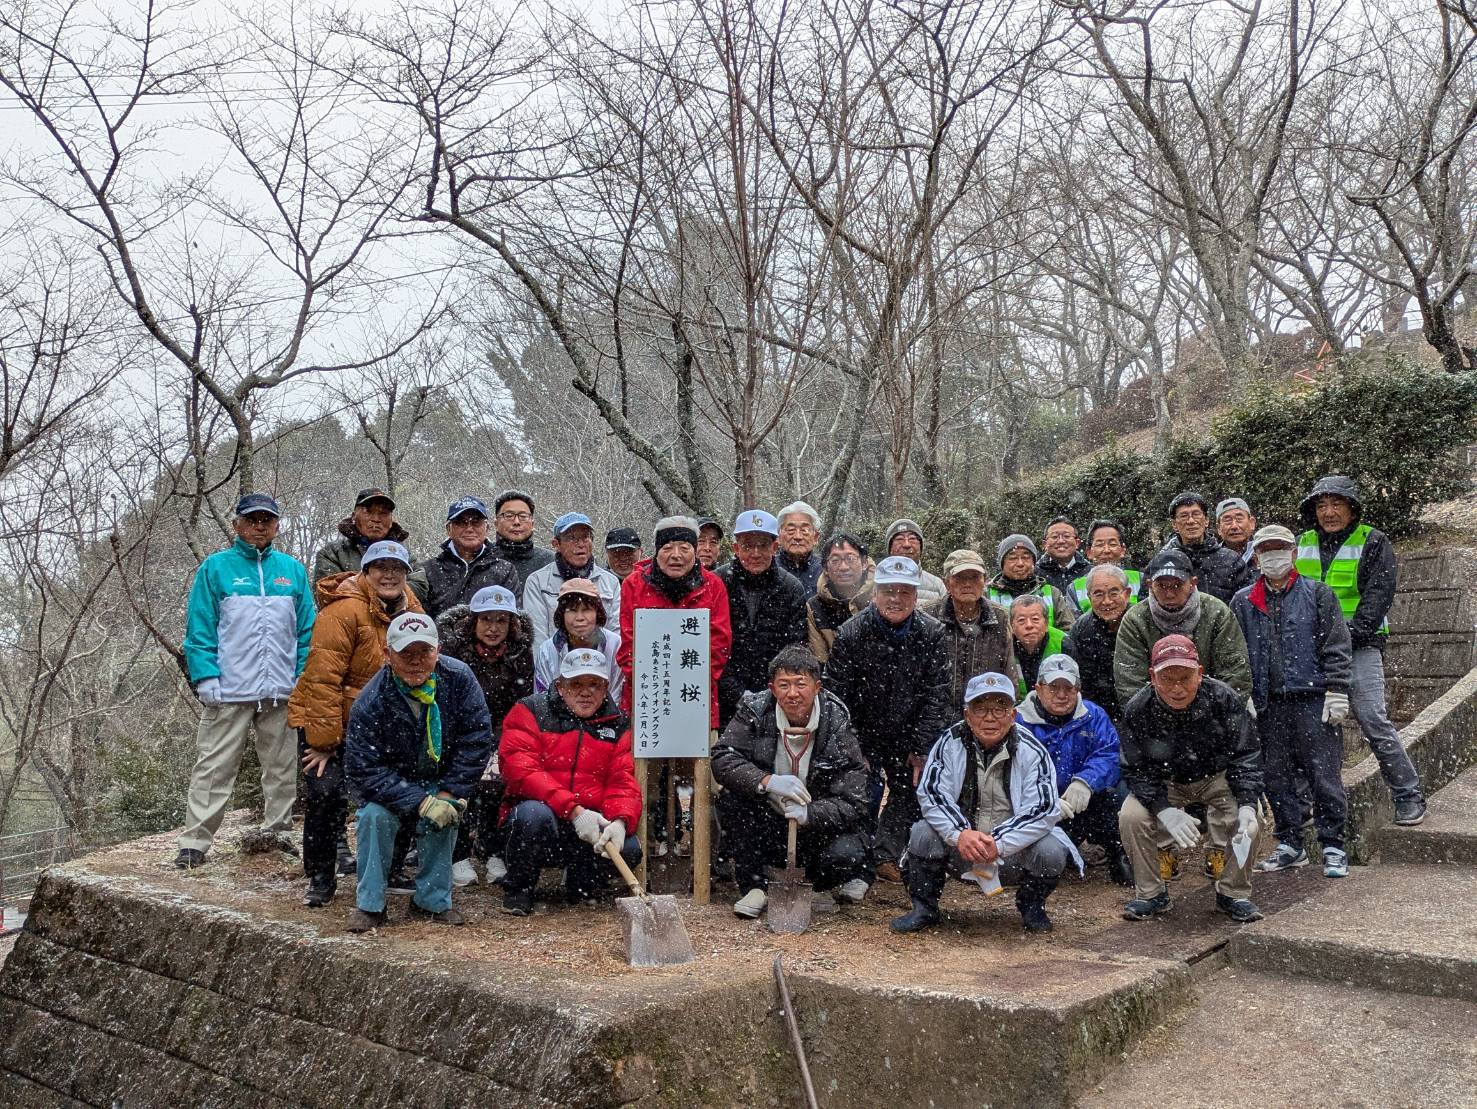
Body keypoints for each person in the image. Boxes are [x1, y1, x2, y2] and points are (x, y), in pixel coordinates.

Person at [176, 493, 315, 869]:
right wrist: (205, 675)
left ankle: (277, 833)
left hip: (281, 690)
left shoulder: (292, 570)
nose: (259, 526)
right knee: (214, 767)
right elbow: (200, 627)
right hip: (229, 690)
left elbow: (307, 630)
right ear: (236, 524)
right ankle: (194, 842)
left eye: (266, 520)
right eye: (252, 520)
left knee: (281, 767)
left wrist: (302, 675)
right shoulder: (216, 568)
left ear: (277, 525)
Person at [288, 540, 423, 907]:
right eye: (380, 568)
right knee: (326, 791)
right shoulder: (342, 611)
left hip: (384, 725)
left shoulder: (413, 610)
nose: (389, 575)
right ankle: (321, 874)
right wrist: (324, 742)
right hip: (333, 717)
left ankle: (391, 867)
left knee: (405, 787)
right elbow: (322, 679)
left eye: (396, 568)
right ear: (366, 571)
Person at [892, 671, 1080, 934]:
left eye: (1000, 708)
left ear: (1013, 715)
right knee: (922, 833)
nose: (990, 717)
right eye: (980, 709)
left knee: (1051, 850)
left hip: (1012, 853)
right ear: (967, 715)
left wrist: (999, 842)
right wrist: (961, 834)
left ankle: (1032, 906)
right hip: (960, 851)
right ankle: (924, 908)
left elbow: (1043, 809)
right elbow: (931, 794)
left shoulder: (1033, 750)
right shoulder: (948, 743)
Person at [343, 612, 493, 931]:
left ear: (438, 651)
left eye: (424, 652)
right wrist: (419, 801)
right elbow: (364, 769)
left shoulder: (459, 678)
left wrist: (450, 791)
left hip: (440, 777)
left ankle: (431, 901)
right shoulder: (370, 700)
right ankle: (370, 904)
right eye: (406, 653)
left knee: (445, 813)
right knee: (374, 818)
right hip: (390, 785)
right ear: (388, 654)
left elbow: (476, 739)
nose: (416, 661)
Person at [1297, 474, 1426, 825]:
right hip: (1312, 650)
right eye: (1322, 505)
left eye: (1336, 504)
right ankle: (1308, 803)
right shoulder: (1302, 543)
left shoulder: (1373, 541)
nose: (1329, 512)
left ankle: (1408, 794)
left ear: (1352, 509)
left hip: (1360, 646)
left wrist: (1345, 636)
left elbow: (1378, 596)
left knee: (1372, 719)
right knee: (1310, 726)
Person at [712, 645, 871, 918]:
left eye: (801, 684)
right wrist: (766, 780)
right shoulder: (755, 710)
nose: (793, 693)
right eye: (784, 685)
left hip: (815, 827)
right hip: (766, 816)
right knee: (732, 800)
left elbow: (854, 799)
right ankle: (755, 886)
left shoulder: (836, 720)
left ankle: (816, 885)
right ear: (772, 689)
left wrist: (811, 813)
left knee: (848, 851)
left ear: (817, 687)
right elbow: (722, 757)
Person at [1231, 525, 1353, 879]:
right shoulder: (1243, 601)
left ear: (1294, 553)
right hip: (1267, 704)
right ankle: (1289, 842)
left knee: (1324, 775)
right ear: (1255, 558)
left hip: (1313, 699)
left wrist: (1337, 689)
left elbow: (1336, 645)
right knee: (1276, 776)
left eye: (1280, 548)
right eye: (1266, 550)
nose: (1274, 556)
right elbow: (1236, 653)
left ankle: (1333, 845)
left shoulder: (1318, 594)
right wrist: (1244, 693)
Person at [1118, 635, 1264, 924]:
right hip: (1166, 780)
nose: (1177, 688)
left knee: (1251, 818)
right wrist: (1163, 809)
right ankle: (1151, 893)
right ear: (1152, 677)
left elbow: (1246, 754)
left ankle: (1233, 892)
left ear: (1199, 673)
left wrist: (1248, 802)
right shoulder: (1138, 709)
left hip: (1218, 776)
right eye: (1167, 679)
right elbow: (1135, 769)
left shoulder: (1223, 698)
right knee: (1131, 815)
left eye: (1185, 678)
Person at [824, 556, 951, 880]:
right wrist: (853, 746)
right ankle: (859, 859)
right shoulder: (851, 633)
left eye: (904, 592)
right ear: (875, 593)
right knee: (859, 788)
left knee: (911, 787)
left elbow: (937, 692)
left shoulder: (933, 633)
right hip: (863, 727)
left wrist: (921, 746)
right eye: (888, 591)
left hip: (909, 727)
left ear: (915, 596)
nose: (896, 599)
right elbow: (837, 697)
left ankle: (887, 854)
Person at [496, 648, 644, 914]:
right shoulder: (531, 710)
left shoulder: (618, 723)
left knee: (630, 848)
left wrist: (620, 821)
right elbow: (521, 770)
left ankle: (582, 883)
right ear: (560, 686)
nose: (586, 692)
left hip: (590, 824)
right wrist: (574, 810)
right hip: (544, 819)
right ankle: (519, 888)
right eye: (576, 684)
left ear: (606, 688)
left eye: (594, 684)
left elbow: (622, 780)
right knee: (531, 816)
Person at [436, 583, 537, 887]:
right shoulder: (453, 653)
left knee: (499, 783)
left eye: (501, 620)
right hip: (458, 732)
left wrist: (499, 742)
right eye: (486, 619)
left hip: (502, 731)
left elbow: (520, 703)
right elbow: (447, 703)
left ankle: (493, 848)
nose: (493, 628)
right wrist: (472, 743)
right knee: (460, 781)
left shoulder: (520, 654)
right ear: (474, 621)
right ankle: (458, 853)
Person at [1014, 654, 1132, 886]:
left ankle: (1119, 852)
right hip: (1038, 805)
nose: (1061, 695)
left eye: (1068, 687)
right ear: (1038, 688)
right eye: (1053, 687)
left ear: (1078, 689)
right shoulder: (1018, 721)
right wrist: (1045, 799)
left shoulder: (1094, 715)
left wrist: (1086, 781)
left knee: (1121, 793)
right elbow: (1014, 772)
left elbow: (1109, 754)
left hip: (1085, 800)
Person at [617, 516, 732, 732]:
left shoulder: (713, 585)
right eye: (667, 548)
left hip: (696, 694)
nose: (676, 555)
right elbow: (628, 646)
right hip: (647, 696)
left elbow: (719, 645)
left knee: (697, 752)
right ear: (657, 551)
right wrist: (654, 682)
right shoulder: (634, 585)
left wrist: (686, 680)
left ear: (695, 551)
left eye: (684, 548)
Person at [1113, 549, 1251, 708]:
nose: (1169, 594)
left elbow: (1236, 676)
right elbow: (1130, 685)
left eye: (1177, 585)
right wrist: (1161, 715)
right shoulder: (1135, 620)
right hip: (1154, 715)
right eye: (1162, 586)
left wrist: (1208, 713)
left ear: (1193, 583)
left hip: (1213, 711)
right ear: (1150, 585)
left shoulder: (1217, 613)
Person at [716, 510, 808, 725]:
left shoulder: (791, 587)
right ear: (736, 548)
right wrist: (736, 693)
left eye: (763, 545)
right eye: (748, 546)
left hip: (776, 698)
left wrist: (772, 691)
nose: (755, 553)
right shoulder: (717, 583)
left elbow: (795, 647)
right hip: (722, 699)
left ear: (775, 547)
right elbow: (711, 646)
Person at [923, 549, 1018, 708]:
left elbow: (1008, 672)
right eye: (959, 577)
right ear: (946, 582)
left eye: (974, 577)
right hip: (936, 711)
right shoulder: (928, 615)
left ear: (985, 581)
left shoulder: (1000, 617)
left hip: (985, 710)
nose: (967, 584)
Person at [524, 512, 624, 649]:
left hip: (601, 660)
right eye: (572, 538)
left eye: (585, 537)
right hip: (555, 660)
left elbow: (615, 635)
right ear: (556, 544)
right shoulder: (538, 582)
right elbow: (537, 638)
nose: (581, 544)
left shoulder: (610, 582)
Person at [412, 496, 519, 618]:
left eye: (476, 522)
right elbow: (420, 620)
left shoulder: (505, 571)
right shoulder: (428, 570)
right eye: (461, 522)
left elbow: (513, 619)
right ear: (448, 529)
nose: (469, 529)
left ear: (487, 528)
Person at [534, 578, 625, 702]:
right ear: (562, 614)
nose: (579, 618)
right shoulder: (548, 650)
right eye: (572, 610)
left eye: (586, 610)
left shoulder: (615, 645)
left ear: (597, 612)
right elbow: (542, 700)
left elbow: (618, 695)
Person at [1065, 564, 1134, 722]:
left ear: (1127, 594)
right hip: (1095, 712)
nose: (1107, 601)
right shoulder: (1081, 629)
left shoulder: (1140, 621)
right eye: (1098, 594)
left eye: (1114, 593)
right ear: (1089, 597)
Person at [1161, 491, 1254, 604]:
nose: (1191, 521)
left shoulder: (1231, 560)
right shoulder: (1163, 562)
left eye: (1196, 514)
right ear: (1174, 524)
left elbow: (1246, 605)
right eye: (1184, 516)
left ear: (1206, 521)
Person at [313, 488, 411, 584]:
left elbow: (417, 583)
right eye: (368, 511)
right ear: (354, 516)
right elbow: (328, 590)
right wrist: (390, 588)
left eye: (383, 513)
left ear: (391, 520)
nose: (376, 519)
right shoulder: (332, 554)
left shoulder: (403, 552)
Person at [805, 532, 874, 663]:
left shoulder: (880, 598)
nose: (843, 567)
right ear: (825, 568)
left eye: (850, 559)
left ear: (864, 563)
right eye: (835, 560)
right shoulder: (815, 607)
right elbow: (820, 661)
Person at [988, 534, 1076, 631]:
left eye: (1026, 557)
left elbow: (1068, 632)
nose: (1020, 563)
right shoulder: (987, 594)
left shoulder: (1052, 593)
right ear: (1002, 564)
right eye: (1013, 558)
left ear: (1033, 562)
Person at [491, 489, 554, 597]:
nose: (516, 522)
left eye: (523, 516)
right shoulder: (483, 559)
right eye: (509, 516)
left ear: (532, 524)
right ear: (496, 523)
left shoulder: (549, 562)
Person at [1069, 519, 1142, 613]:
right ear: (1089, 552)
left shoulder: (1141, 579)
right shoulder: (1075, 588)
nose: (1106, 550)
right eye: (1100, 545)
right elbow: (1074, 621)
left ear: (1123, 550)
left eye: (1112, 544)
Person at [1010, 594, 1064, 697]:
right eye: (1021, 620)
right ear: (1012, 626)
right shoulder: (1003, 646)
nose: (1029, 625)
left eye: (1035, 619)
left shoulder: (1063, 643)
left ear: (1046, 623)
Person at [883, 518, 946, 606]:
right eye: (900, 539)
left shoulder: (936, 585)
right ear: (889, 549)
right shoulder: (877, 583)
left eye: (912, 538)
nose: (907, 544)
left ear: (921, 546)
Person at [776, 501, 824, 596]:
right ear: (779, 536)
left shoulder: (826, 569)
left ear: (816, 537)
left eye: (804, 530)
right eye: (791, 530)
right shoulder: (769, 568)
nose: (798, 536)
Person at [1036, 516, 1091, 597]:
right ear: (1045, 544)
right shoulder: (1035, 573)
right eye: (1054, 537)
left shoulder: (1090, 572)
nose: (1061, 541)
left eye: (1067, 536)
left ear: (1077, 543)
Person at [1216, 497, 1259, 571]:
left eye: (1239, 519)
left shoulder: (1264, 552)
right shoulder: (1211, 558)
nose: (1234, 526)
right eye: (1227, 520)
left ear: (1251, 523)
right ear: (1219, 528)